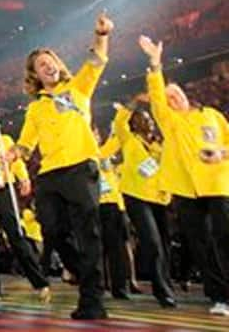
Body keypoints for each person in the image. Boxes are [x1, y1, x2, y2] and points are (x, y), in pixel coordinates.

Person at [10, 11, 113, 321]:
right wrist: (11, 153)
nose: (48, 65)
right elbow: (25, 145)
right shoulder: (35, 108)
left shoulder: (78, 87)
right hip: (50, 175)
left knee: (88, 234)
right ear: (36, 75)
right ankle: (85, 274)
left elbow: (97, 60)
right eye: (42, 64)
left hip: (81, 167)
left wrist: (102, 35)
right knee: (51, 229)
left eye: (50, 59)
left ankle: (92, 301)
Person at [139, 35, 229, 317]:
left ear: (186, 95)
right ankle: (219, 296)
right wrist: (155, 64)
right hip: (186, 190)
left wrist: (221, 155)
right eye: (168, 98)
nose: (173, 99)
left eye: (176, 94)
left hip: (218, 184)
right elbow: (155, 94)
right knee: (200, 244)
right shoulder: (169, 120)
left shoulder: (211, 115)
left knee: (225, 236)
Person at [100, 101, 176, 308]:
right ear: (134, 123)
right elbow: (119, 122)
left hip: (161, 197)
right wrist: (130, 106)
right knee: (151, 241)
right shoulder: (128, 138)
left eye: (150, 119)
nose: (148, 122)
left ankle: (166, 283)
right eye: (143, 118)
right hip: (135, 197)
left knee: (164, 244)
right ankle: (162, 290)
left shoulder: (160, 143)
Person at [0, 109, 50, 303]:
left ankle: (40, 282)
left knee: (15, 234)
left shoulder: (3, 139)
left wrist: (23, 177)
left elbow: (15, 161)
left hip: (2, 188)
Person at [94, 127, 130, 300]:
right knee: (96, 249)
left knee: (116, 248)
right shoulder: (81, 157)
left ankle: (119, 287)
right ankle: (98, 286)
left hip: (112, 205)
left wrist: (116, 127)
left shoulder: (106, 153)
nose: (93, 136)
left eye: (95, 133)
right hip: (92, 205)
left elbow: (117, 140)